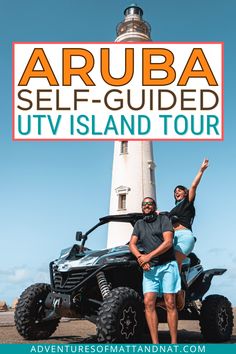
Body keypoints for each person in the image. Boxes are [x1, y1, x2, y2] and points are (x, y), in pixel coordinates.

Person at [129, 197, 181, 344]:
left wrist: (148, 256)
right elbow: (132, 244)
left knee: (170, 302)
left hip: (167, 266)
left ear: (154, 206)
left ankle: (173, 343)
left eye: (149, 204)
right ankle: (155, 344)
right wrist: (141, 258)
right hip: (150, 268)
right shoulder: (139, 224)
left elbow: (168, 242)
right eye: (144, 204)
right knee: (148, 303)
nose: (147, 206)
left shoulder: (163, 219)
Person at [169, 158, 209, 271]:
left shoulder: (188, 202)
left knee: (174, 264)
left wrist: (201, 170)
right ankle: (182, 288)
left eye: (179, 190)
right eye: (175, 191)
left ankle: (178, 288)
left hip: (184, 236)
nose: (176, 192)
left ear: (185, 193)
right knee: (167, 264)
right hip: (171, 238)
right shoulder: (173, 209)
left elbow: (193, 186)